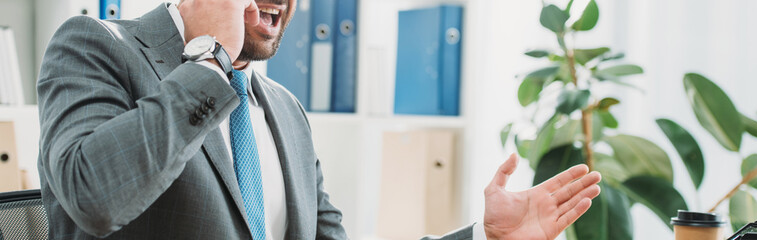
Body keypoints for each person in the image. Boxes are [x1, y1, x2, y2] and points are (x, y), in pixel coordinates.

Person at [36, 0, 602, 239]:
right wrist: (211, 60)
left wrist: (483, 238)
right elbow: (93, 195)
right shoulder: (94, 44)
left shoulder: (285, 109)